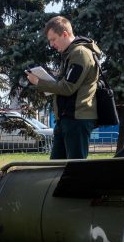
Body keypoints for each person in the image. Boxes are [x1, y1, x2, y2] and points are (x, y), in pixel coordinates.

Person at [26, 16, 101, 160]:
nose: (51, 44)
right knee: (56, 167)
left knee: (74, 169)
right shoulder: (71, 54)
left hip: (77, 119)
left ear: (65, 34)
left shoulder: (80, 53)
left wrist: (39, 82)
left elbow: (68, 88)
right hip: (67, 119)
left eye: (53, 39)